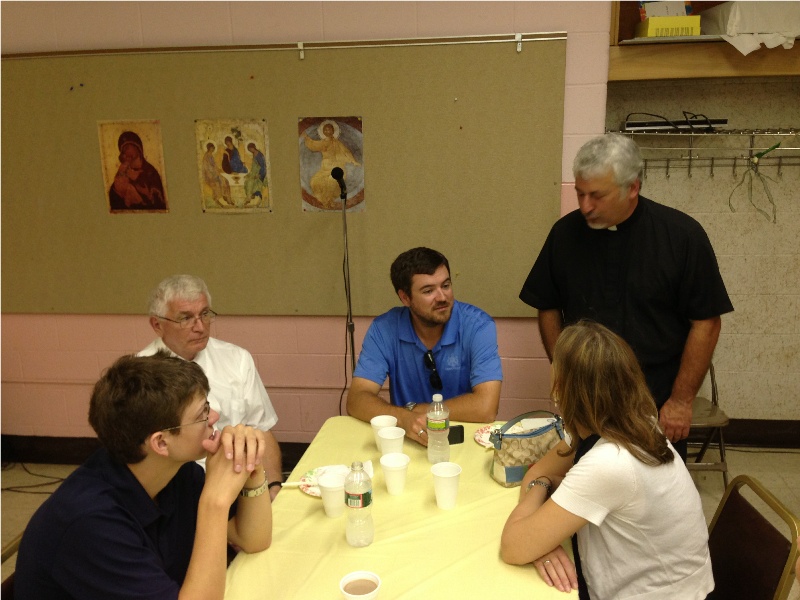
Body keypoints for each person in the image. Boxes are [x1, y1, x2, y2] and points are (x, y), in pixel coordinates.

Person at [519, 133, 733, 459]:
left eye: (596, 196)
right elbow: (547, 305)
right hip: (589, 399)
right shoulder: (564, 235)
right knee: (589, 492)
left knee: (654, 494)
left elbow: (706, 322)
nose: (585, 206)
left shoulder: (682, 237)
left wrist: (681, 400)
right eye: (580, 194)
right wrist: (563, 374)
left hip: (657, 400)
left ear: (632, 187)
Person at [15, 352, 273, 599]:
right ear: (161, 443)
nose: (214, 417)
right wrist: (214, 504)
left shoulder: (175, 472)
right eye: (202, 413)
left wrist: (251, 465)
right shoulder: (91, 523)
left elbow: (253, 539)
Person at [500, 321, 714, 599]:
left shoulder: (611, 462)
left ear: (562, 389)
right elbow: (536, 473)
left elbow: (513, 546)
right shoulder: (628, 421)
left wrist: (536, 535)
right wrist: (542, 532)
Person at [139, 275, 284, 499]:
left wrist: (273, 486)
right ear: (157, 325)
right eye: (185, 318)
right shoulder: (140, 375)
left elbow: (260, 429)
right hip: (176, 494)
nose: (200, 327)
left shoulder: (237, 358)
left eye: (205, 314)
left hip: (243, 485)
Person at [347, 247, 503, 446]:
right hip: (409, 436)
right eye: (428, 291)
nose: (442, 297)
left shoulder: (479, 326)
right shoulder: (384, 328)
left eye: (446, 285)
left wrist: (414, 411)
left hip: (463, 437)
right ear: (405, 298)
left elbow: (486, 407)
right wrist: (404, 419)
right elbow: (357, 399)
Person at [302, 119, 360, 208]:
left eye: (329, 129)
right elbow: (314, 145)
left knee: (331, 182)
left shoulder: (337, 143)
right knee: (315, 181)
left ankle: (329, 201)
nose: (327, 131)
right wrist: (306, 138)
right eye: (325, 129)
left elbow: (346, 152)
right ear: (323, 131)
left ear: (333, 131)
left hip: (337, 167)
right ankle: (325, 202)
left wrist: (353, 161)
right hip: (325, 167)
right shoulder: (323, 142)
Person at [109, 130, 167, 211]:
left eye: (127, 148)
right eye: (123, 151)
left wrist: (138, 180)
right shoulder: (124, 172)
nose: (125, 153)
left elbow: (157, 201)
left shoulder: (151, 173)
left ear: (137, 147)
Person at [202, 142, 232, 207]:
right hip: (209, 176)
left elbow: (214, 165)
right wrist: (214, 172)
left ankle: (227, 197)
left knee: (225, 181)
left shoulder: (211, 155)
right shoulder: (206, 156)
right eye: (212, 148)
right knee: (217, 183)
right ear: (209, 148)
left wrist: (219, 169)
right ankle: (216, 199)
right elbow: (207, 168)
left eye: (213, 148)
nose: (213, 149)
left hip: (215, 174)